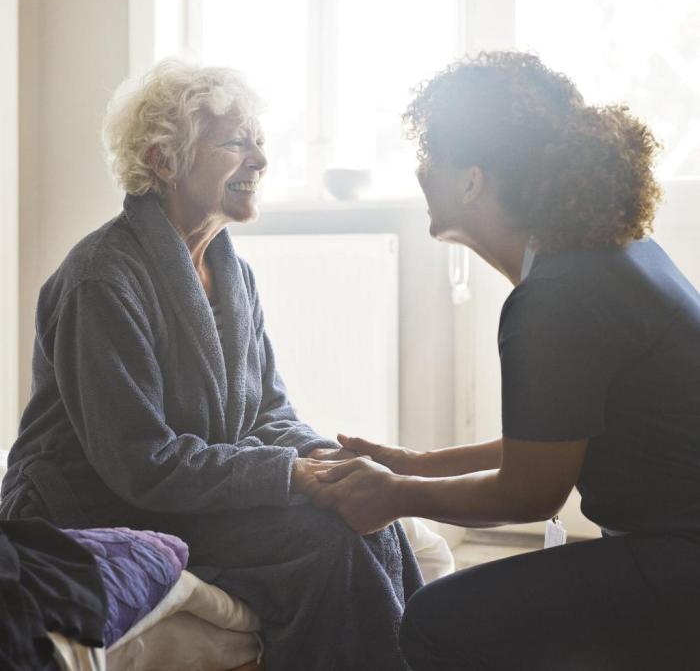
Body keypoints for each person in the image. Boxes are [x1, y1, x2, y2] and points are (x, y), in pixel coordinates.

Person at [0, 59, 422, 671]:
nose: (259, 159)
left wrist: (328, 463)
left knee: (369, 519)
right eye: (234, 142)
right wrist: (289, 476)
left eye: (260, 142)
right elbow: (139, 462)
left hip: (182, 492)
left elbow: (268, 410)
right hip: (86, 505)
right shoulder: (101, 279)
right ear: (163, 161)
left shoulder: (231, 272)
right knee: (322, 544)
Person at [307, 52, 700, 670]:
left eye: (430, 152)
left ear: (473, 180)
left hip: (682, 565)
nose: (418, 169)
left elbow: (531, 492)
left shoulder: (556, 298)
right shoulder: (604, 257)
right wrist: (419, 465)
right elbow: (553, 441)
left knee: (437, 622)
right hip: (678, 549)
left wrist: (398, 495)